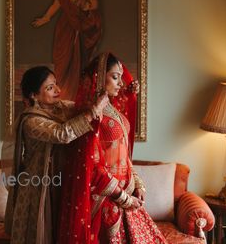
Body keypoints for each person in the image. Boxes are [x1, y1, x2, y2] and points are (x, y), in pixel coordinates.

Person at [58, 53, 167, 243]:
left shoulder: (113, 110)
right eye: (115, 77)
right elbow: (94, 167)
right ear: (98, 77)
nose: (120, 83)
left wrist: (137, 183)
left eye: (120, 77)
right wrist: (123, 198)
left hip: (126, 198)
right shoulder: (90, 115)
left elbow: (122, 155)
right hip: (105, 201)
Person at [2, 66, 109, 244]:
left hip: (62, 181)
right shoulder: (31, 120)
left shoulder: (63, 108)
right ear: (33, 95)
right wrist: (92, 111)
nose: (58, 90)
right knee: (41, 234)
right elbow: (62, 134)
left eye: (56, 85)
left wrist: (126, 93)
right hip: (39, 188)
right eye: (50, 88)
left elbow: (89, 106)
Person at [31, 0, 102, 100]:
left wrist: (85, 6)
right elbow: (57, 4)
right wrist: (46, 17)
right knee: (62, 61)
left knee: (78, 62)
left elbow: (94, 6)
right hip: (65, 27)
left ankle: (75, 96)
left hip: (80, 26)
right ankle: (61, 94)